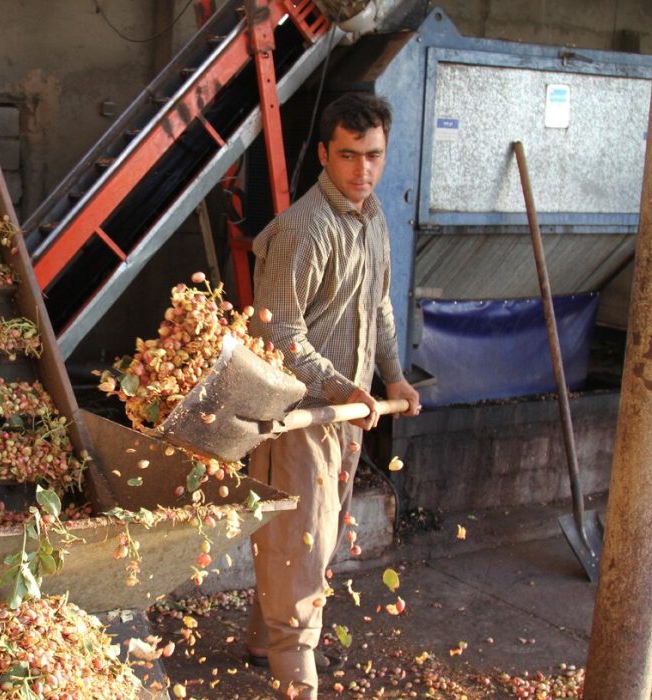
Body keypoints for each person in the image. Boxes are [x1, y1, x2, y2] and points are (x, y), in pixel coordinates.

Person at [245, 93, 421, 699]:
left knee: (308, 538)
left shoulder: (373, 221)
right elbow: (279, 335)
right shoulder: (302, 230)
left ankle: (261, 640)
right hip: (298, 416)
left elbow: (378, 309)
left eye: (373, 156)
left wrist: (391, 377)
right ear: (324, 153)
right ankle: (297, 679)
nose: (362, 170)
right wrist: (342, 385)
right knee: (303, 541)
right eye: (348, 156)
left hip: (347, 413)